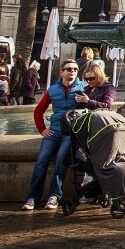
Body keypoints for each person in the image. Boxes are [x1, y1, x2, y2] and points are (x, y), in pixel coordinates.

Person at [22, 59, 86, 211]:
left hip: (71, 132)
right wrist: (42, 130)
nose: (72, 72)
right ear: (62, 72)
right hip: (54, 130)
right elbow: (38, 111)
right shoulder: (52, 90)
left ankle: (54, 196)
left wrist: (85, 102)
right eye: (69, 69)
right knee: (42, 159)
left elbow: (89, 109)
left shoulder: (83, 87)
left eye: (75, 69)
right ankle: (33, 197)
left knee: (61, 159)